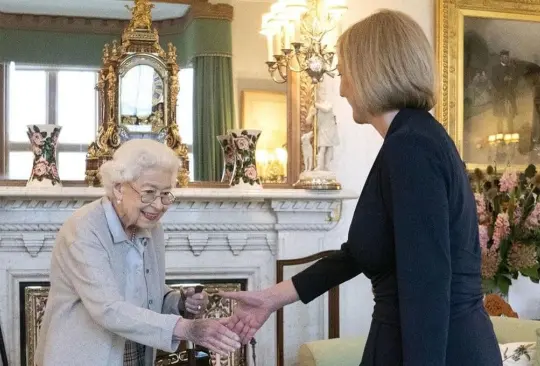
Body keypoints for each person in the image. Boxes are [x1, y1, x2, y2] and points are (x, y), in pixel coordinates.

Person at [221, 9, 502, 366]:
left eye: (346, 74)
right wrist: (271, 298)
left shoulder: (411, 146)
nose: (342, 88)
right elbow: (359, 253)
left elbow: (427, 285)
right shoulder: (412, 138)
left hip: (440, 349)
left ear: (372, 72)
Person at [35, 139, 240, 366]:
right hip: (84, 356)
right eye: (149, 192)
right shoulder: (84, 228)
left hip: (136, 353)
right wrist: (186, 328)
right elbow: (107, 308)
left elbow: (147, 294)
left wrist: (179, 303)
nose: (159, 205)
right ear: (118, 188)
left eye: (165, 194)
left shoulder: (152, 228)